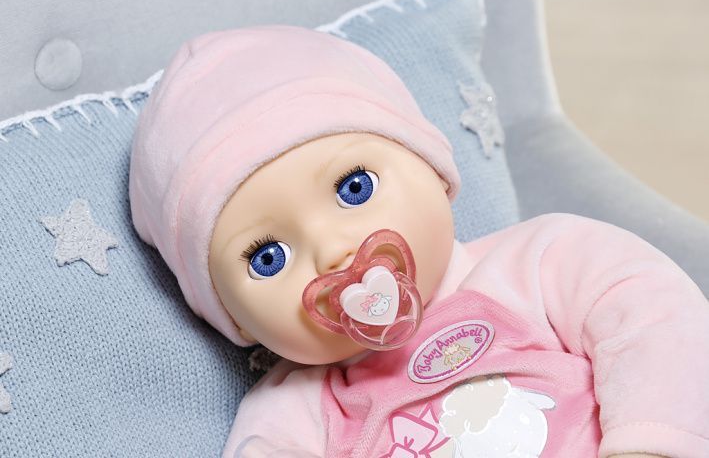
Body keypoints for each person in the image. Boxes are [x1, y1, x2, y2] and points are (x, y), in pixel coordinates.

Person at [128, 25, 709, 457]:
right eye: (268, 257)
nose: (333, 252)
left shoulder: (541, 262)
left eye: (353, 188)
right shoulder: (292, 413)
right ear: (234, 319)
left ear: (433, 169)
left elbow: (657, 319)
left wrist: (649, 443)